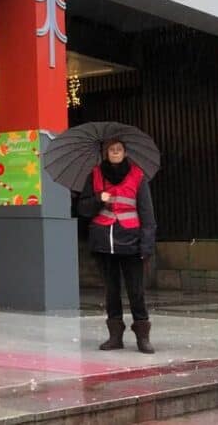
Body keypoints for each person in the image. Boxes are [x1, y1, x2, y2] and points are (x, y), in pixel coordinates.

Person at [77, 139, 157, 354]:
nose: (115, 153)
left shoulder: (138, 176)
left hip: (131, 241)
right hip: (104, 241)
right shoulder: (94, 175)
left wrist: (146, 246)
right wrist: (98, 199)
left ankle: (142, 336)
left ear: (124, 152)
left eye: (118, 149)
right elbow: (83, 209)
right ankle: (115, 337)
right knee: (111, 292)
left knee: (136, 291)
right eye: (111, 150)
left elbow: (147, 214)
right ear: (106, 153)